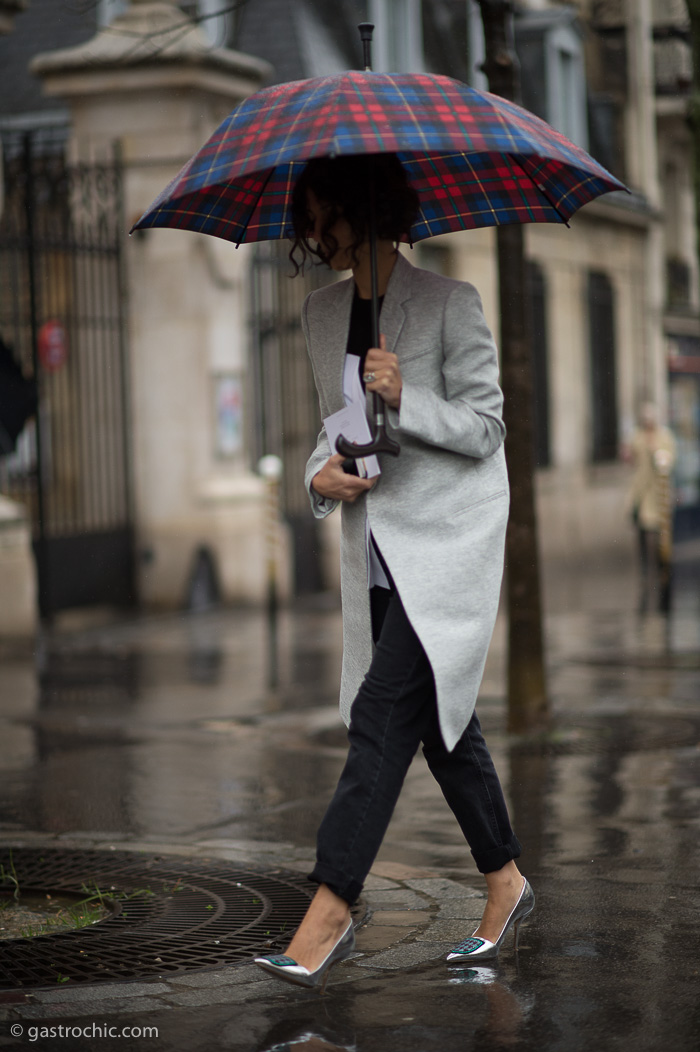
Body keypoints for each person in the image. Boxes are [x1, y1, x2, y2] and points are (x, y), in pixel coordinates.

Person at [254, 154, 533, 991]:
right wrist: (318, 477)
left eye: (320, 215)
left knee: (380, 717)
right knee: (445, 729)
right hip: (372, 554)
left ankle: (329, 910)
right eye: (304, 219)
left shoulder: (451, 304)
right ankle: (506, 882)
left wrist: (407, 392)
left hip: (443, 549)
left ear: (364, 210)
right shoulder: (321, 312)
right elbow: (327, 433)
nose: (310, 234)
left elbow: (486, 427)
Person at [625, 403, 677, 613]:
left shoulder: (664, 437)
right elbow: (630, 456)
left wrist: (656, 450)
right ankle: (647, 576)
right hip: (641, 495)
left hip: (658, 497)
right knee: (642, 535)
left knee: (658, 538)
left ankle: (660, 576)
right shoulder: (637, 436)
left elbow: (667, 461)